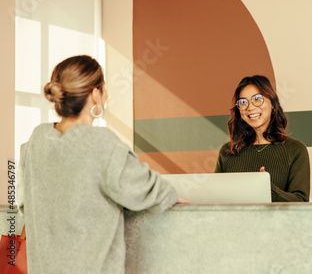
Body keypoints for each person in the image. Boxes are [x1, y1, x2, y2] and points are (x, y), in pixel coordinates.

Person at [17, 55, 187, 273]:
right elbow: (143, 187)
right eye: (104, 88)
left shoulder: (36, 140)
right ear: (95, 94)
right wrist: (170, 194)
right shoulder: (101, 143)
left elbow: (23, 203)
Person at [214, 75, 310, 202]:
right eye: (243, 102)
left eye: (257, 99)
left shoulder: (295, 149)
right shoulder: (227, 151)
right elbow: (215, 199)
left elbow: (301, 202)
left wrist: (267, 189)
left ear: (273, 104)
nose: (250, 107)